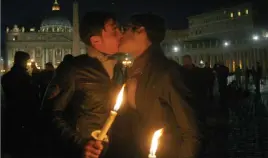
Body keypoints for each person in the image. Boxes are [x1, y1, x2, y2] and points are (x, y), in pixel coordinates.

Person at [105, 13, 202, 158]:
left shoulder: (167, 73)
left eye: (126, 29)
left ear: (141, 31)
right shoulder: (133, 71)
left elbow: (192, 132)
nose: (120, 35)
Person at [43, 11, 122, 158]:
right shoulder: (73, 69)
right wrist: (81, 143)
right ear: (96, 41)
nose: (120, 34)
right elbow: (51, 113)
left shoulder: (120, 69)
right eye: (114, 30)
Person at [1, 51, 39, 157]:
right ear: (23, 61)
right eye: (27, 61)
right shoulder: (25, 78)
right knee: (23, 144)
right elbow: (32, 95)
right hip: (24, 114)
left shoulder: (7, 77)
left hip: (10, 112)